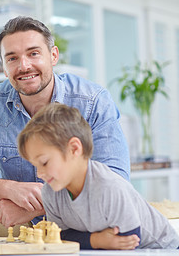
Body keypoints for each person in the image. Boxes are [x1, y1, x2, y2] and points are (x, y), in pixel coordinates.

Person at [0, 16, 130, 238]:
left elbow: (116, 180)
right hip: (20, 223)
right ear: (4, 67)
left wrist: (40, 204)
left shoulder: (93, 100)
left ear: (53, 55)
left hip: (81, 217)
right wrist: (10, 189)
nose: (24, 66)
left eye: (33, 53)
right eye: (12, 58)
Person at [17, 103, 179, 249]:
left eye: (44, 163)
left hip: (160, 249)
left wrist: (91, 241)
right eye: (35, 165)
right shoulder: (50, 192)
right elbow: (61, 237)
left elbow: (129, 241)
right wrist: (97, 240)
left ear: (74, 149)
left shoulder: (109, 186)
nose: (39, 174)